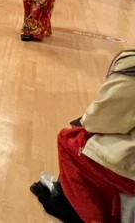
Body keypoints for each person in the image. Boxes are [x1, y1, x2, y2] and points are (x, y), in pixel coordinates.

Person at [31, 50, 135, 223]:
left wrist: (86, 121)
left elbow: (102, 119)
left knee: (68, 140)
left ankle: (92, 216)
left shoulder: (130, 65)